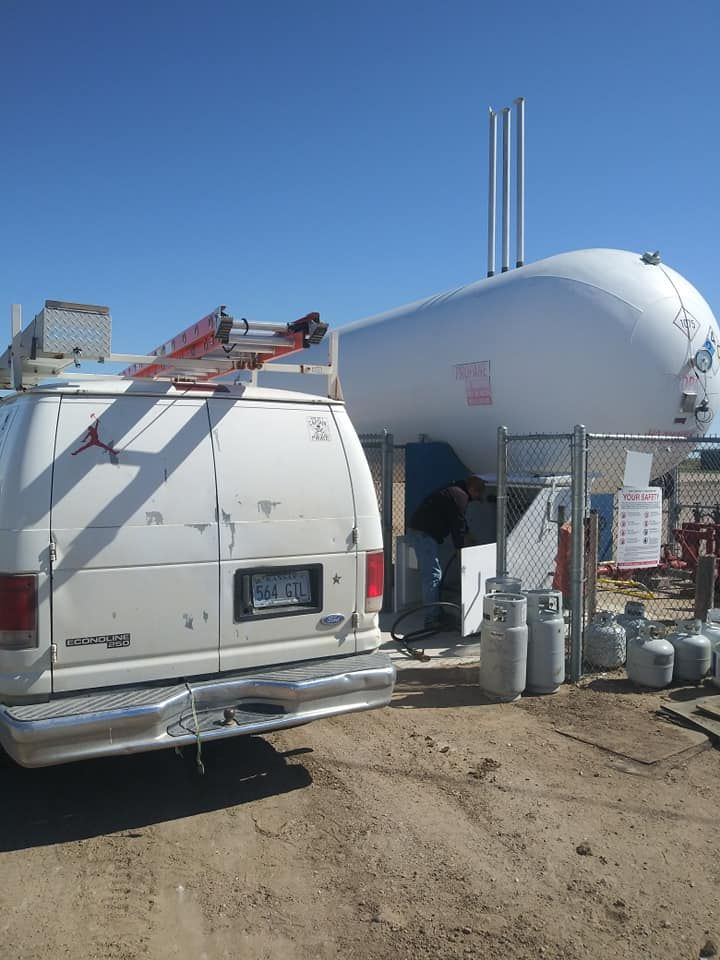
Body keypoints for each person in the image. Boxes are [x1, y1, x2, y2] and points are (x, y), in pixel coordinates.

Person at [406, 475, 488, 627]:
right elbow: (457, 526)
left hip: (421, 532)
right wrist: (460, 549)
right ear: (472, 490)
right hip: (423, 535)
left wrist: (469, 535)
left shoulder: (456, 490)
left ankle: (435, 611)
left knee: (433, 574)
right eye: (477, 496)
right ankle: (432, 619)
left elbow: (459, 520)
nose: (476, 499)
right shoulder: (460, 496)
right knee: (432, 575)